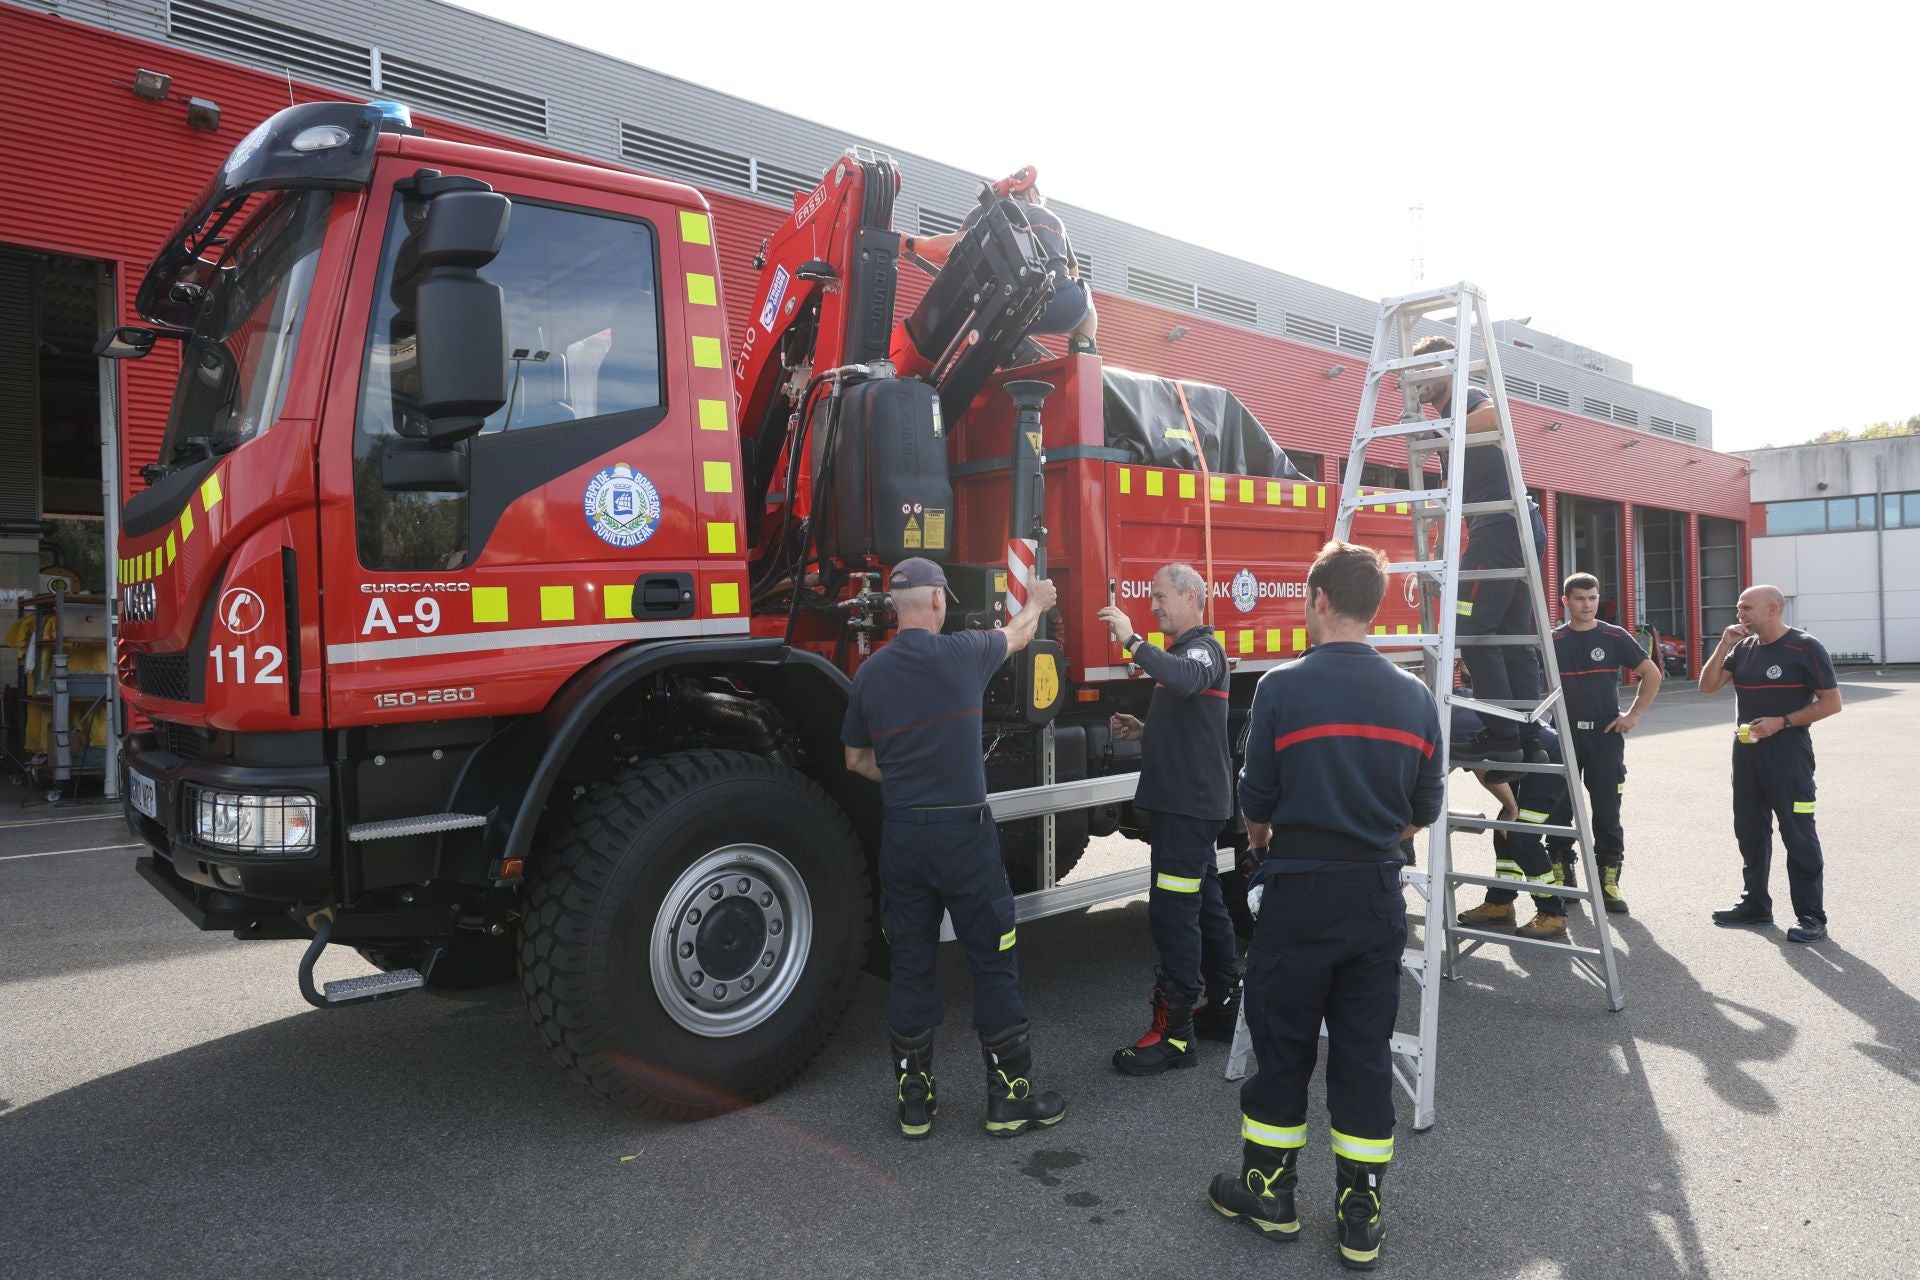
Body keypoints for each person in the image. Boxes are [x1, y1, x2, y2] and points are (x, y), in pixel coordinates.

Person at [1209, 541, 1443, 1269]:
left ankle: (1270, 1195)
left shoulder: (1281, 686)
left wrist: (1262, 846)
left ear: (1316, 598)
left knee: (1282, 1046)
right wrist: (1372, 834)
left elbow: (1255, 799)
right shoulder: (1415, 697)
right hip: (1376, 893)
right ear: (1375, 607)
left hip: (1298, 892)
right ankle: (1359, 1213)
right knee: (1364, 1053)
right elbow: (1424, 809)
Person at [842, 557, 1068, 1138]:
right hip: (963, 835)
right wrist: (1039, 599)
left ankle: (915, 1103)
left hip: (904, 834)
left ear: (896, 608)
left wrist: (911, 777)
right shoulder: (966, 653)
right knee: (992, 961)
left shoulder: (870, 674)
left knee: (912, 963)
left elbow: (856, 760)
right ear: (938, 601)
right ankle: (1009, 1099)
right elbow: (1018, 635)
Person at [1096, 564, 1240, 1075]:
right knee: (1203, 906)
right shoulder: (1186, 653)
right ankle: (1224, 1007)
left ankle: (1175, 1035)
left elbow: (1185, 678)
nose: (1153, 605)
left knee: (1173, 915)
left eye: (1160, 597)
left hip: (1187, 808)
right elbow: (1190, 717)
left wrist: (1131, 639)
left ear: (1190, 596)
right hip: (1188, 805)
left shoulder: (1201, 649)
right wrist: (1146, 729)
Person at [1410, 335, 1542, 767]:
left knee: (1469, 630)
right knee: (1512, 639)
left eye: (1426, 371)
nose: (1418, 382)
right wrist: (1434, 551)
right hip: (1512, 528)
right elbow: (1452, 498)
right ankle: (1525, 734)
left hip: (1501, 528)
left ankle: (1503, 735)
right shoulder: (1450, 418)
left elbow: (1496, 415)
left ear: (1448, 368)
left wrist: (1442, 432)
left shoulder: (1467, 396)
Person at [1698, 585, 1843, 943]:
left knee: (1797, 831)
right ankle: (1756, 905)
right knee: (1749, 829)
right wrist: (1723, 645)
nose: (1740, 615)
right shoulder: (1743, 648)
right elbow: (1707, 685)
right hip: (1746, 753)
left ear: (1773, 609)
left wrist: (1782, 721)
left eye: (1747, 608)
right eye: (1739, 608)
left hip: (1789, 753)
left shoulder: (1805, 647)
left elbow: (1831, 703)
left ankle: (1811, 916)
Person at [1550, 572, 1663, 913]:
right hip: (1563, 735)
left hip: (1604, 736)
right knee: (1558, 810)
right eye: (1580, 598)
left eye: (1592, 597)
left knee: (1607, 813)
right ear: (1566, 601)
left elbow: (1652, 673)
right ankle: (1563, 878)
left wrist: (1634, 715)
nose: (1587, 604)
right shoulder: (1552, 640)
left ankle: (1608, 884)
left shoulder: (1614, 636)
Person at [902, 165, 1098, 354]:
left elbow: (951, 248)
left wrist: (912, 243)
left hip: (1003, 309)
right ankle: (1082, 362)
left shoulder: (988, 209)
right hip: (1062, 304)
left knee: (968, 333)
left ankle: (1008, 347)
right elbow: (1073, 274)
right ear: (1032, 193)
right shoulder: (1052, 218)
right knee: (1087, 308)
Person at [1450, 695, 1575, 939]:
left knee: (1520, 835)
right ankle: (1500, 904)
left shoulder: (1452, 724)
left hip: (1550, 759)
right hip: (1526, 760)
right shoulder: (1451, 711)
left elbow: (1482, 769)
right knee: (1504, 829)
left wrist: (1512, 808)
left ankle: (1553, 912)